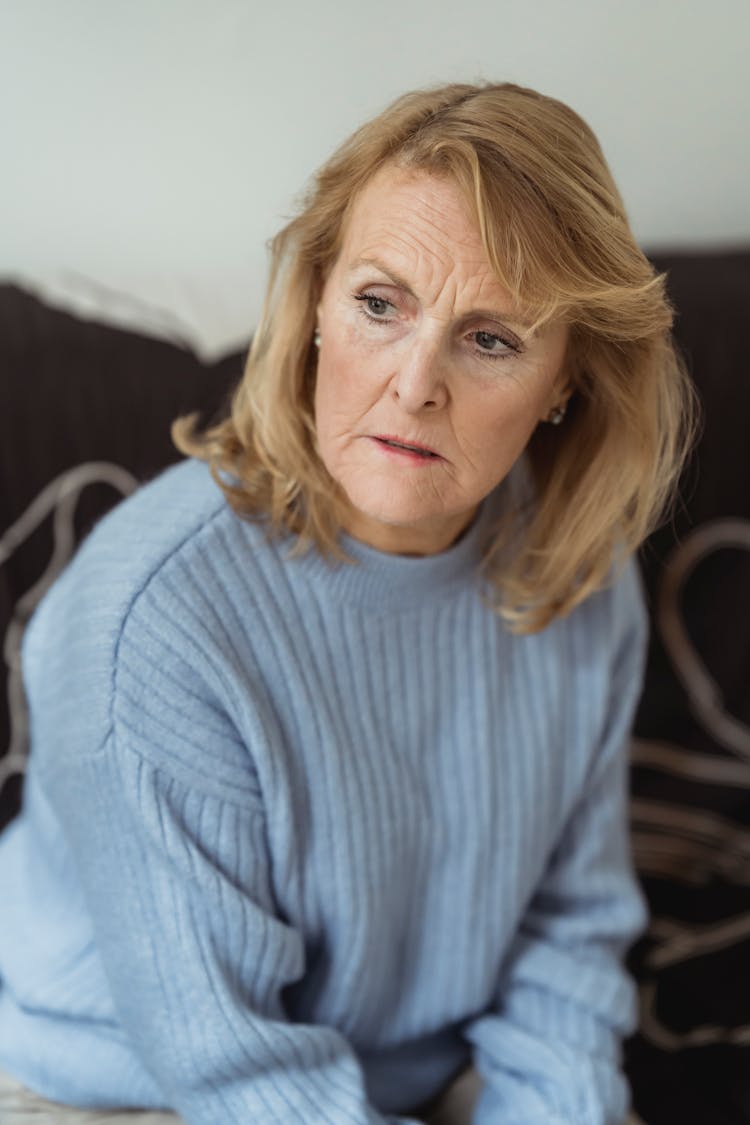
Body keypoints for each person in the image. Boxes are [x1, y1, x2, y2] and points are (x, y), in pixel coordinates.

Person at [0, 81, 693, 1124]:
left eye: (492, 338)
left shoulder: (579, 573)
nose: (416, 384)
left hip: (407, 1071)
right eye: (382, 303)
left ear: (567, 381)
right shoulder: (153, 621)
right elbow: (236, 1067)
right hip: (120, 1081)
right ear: (317, 303)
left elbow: (571, 931)